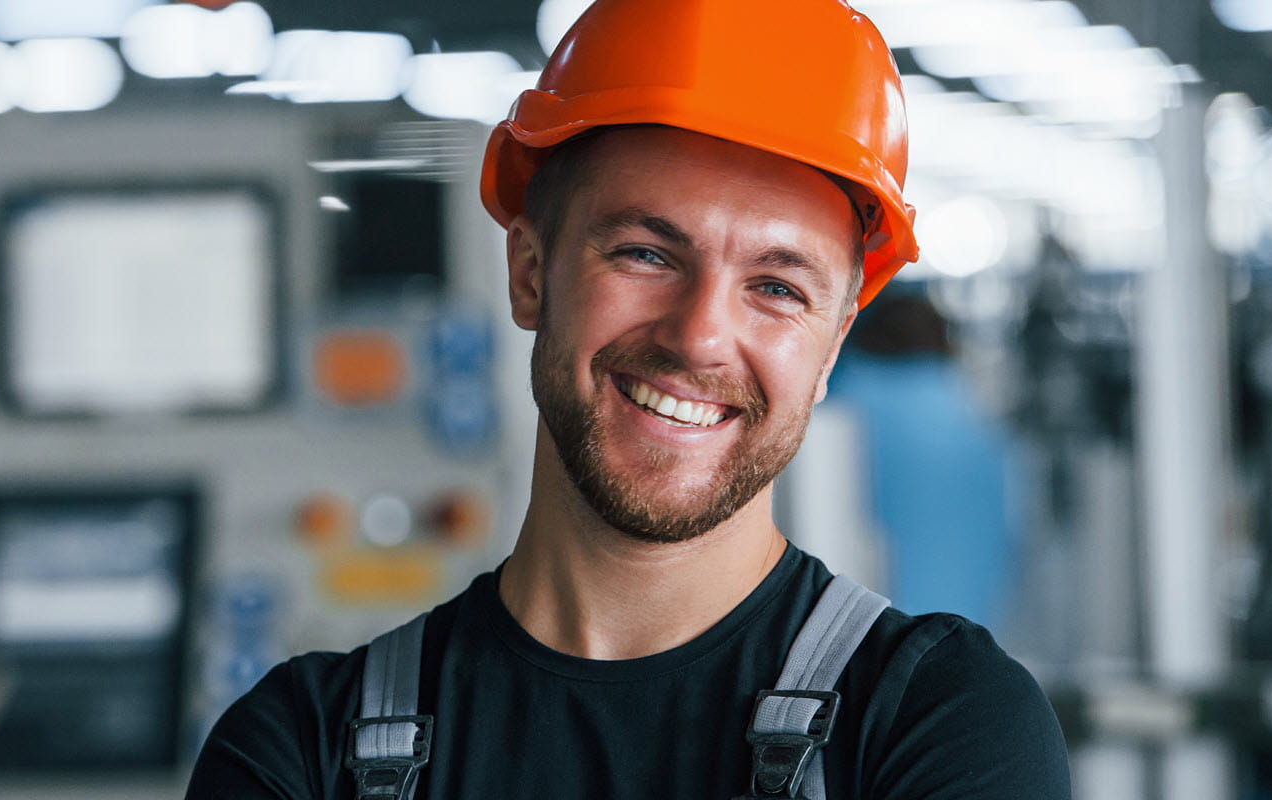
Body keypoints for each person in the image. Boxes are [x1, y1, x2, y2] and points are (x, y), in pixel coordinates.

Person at [187, 0, 1071, 797]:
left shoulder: (938, 727)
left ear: (832, 343)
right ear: (530, 273)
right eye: (646, 254)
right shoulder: (300, 752)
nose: (697, 337)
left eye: (776, 288)